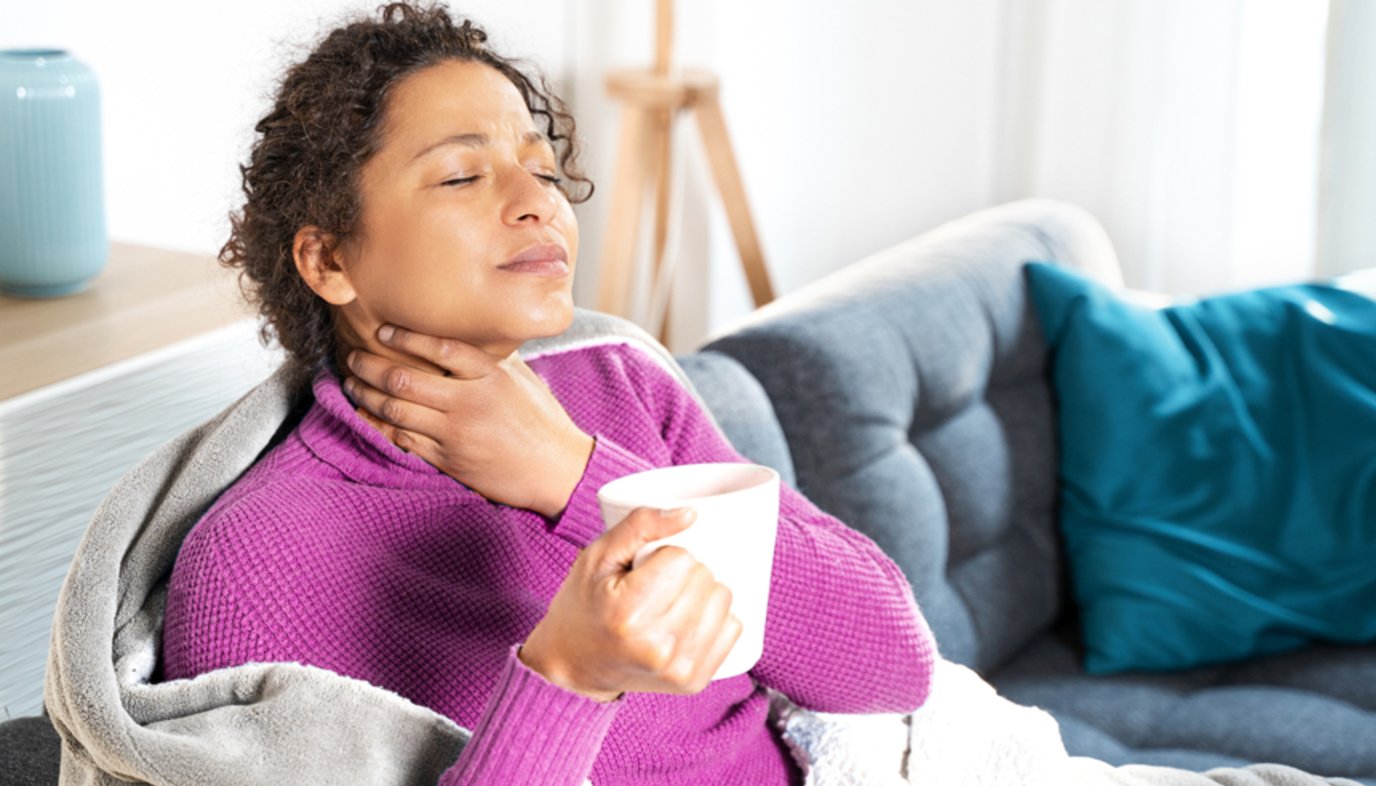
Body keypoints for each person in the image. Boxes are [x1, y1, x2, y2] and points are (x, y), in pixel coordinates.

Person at [159, 3, 937, 784]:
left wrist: (572, 472)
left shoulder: (618, 385)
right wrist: (570, 677)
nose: (539, 203)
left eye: (544, 170)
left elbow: (894, 665)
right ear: (328, 261)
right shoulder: (255, 559)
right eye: (463, 174)